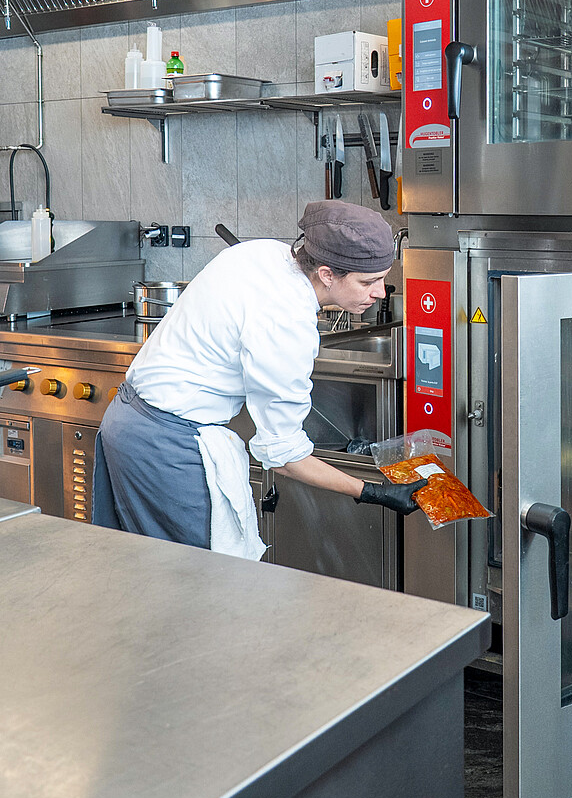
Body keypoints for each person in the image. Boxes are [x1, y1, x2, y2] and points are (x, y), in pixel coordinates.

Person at [92, 201, 425, 554]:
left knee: (150, 571)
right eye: (369, 281)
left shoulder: (266, 252)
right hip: (167, 448)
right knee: (197, 584)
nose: (380, 292)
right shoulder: (286, 320)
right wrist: (371, 491)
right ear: (327, 274)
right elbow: (284, 457)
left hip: (127, 422)